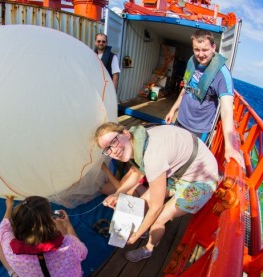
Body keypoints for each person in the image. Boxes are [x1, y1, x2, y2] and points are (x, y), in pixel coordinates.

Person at [94, 122, 219, 262]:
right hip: (181, 170)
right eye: (107, 149)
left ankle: (148, 249)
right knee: (140, 203)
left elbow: (156, 207)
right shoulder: (139, 138)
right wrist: (117, 193)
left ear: (125, 133)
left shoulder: (153, 156)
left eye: (113, 142)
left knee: (158, 220)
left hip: (201, 181)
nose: (114, 151)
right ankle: (144, 229)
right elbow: (137, 172)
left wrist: (136, 235)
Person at [165, 29, 243, 166]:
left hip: (198, 129)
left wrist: (229, 146)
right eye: (196, 50)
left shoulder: (222, 75)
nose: (200, 55)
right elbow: (186, 88)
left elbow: (226, 110)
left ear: (214, 47)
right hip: (181, 119)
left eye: (205, 50)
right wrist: (173, 110)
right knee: (171, 154)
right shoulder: (192, 62)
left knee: (186, 164)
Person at [0, 196, 88, 277]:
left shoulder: (9, 248)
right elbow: (83, 253)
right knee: (59, 224)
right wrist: (67, 225)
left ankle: (13, 272)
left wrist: (9, 207)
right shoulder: (70, 245)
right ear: (48, 223)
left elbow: (4, 227)